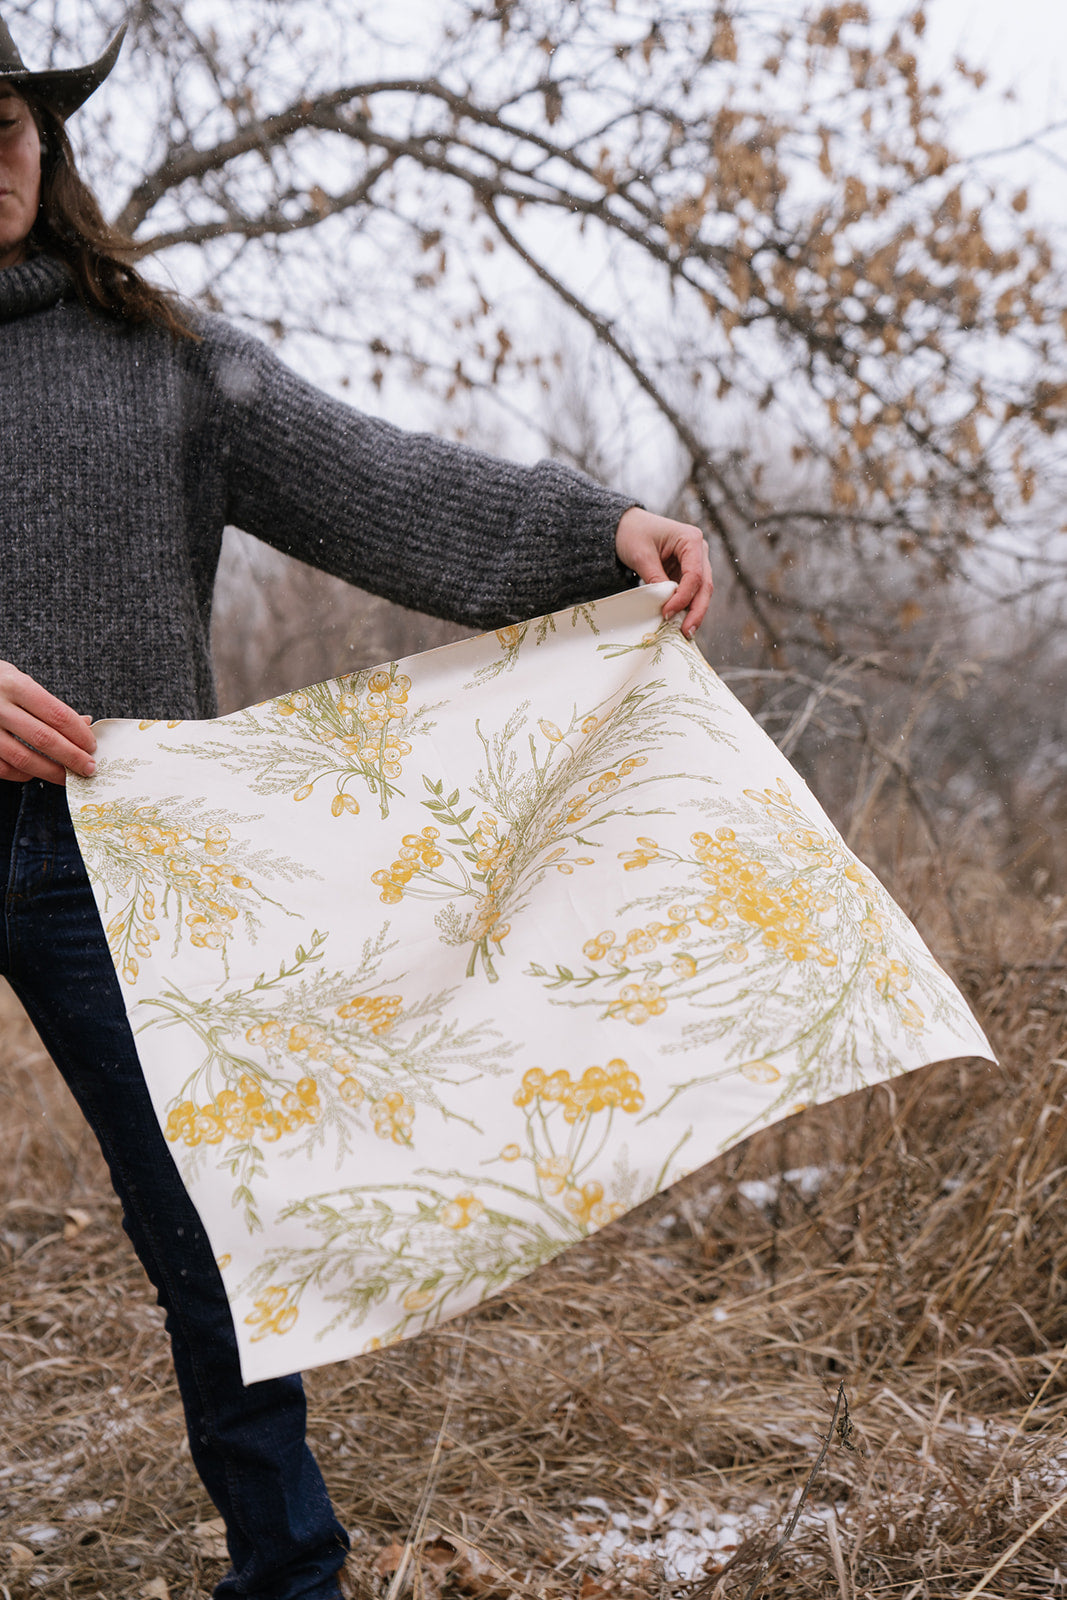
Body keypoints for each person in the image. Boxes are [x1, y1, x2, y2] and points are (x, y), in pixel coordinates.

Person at [0, 15, 713, 1600]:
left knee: (219, 1235)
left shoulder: (160, 358)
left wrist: (598, 533)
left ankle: (290, 1576)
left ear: (46, 139)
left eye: (5, 122)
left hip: (131, 852)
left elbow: (381, 485)